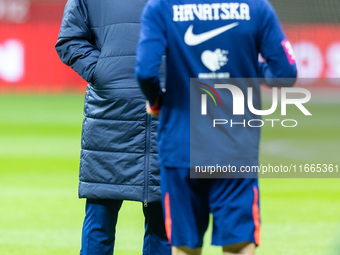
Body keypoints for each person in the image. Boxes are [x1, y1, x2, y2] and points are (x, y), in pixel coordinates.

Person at [135, 0, 297, 255]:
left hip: (181, 144)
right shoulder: (256, 7)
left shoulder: (161, 6)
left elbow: (145, 72)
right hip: (234, 145)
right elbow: (285, 72)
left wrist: (156, 102)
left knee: (185, 246)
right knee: (238, 244)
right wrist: (245, 66)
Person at [55, 0, 171, 255]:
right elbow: (69, 40)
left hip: (168, 114)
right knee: (101, 219)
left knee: (164, 224)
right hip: (111, 116)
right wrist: (104, 72)